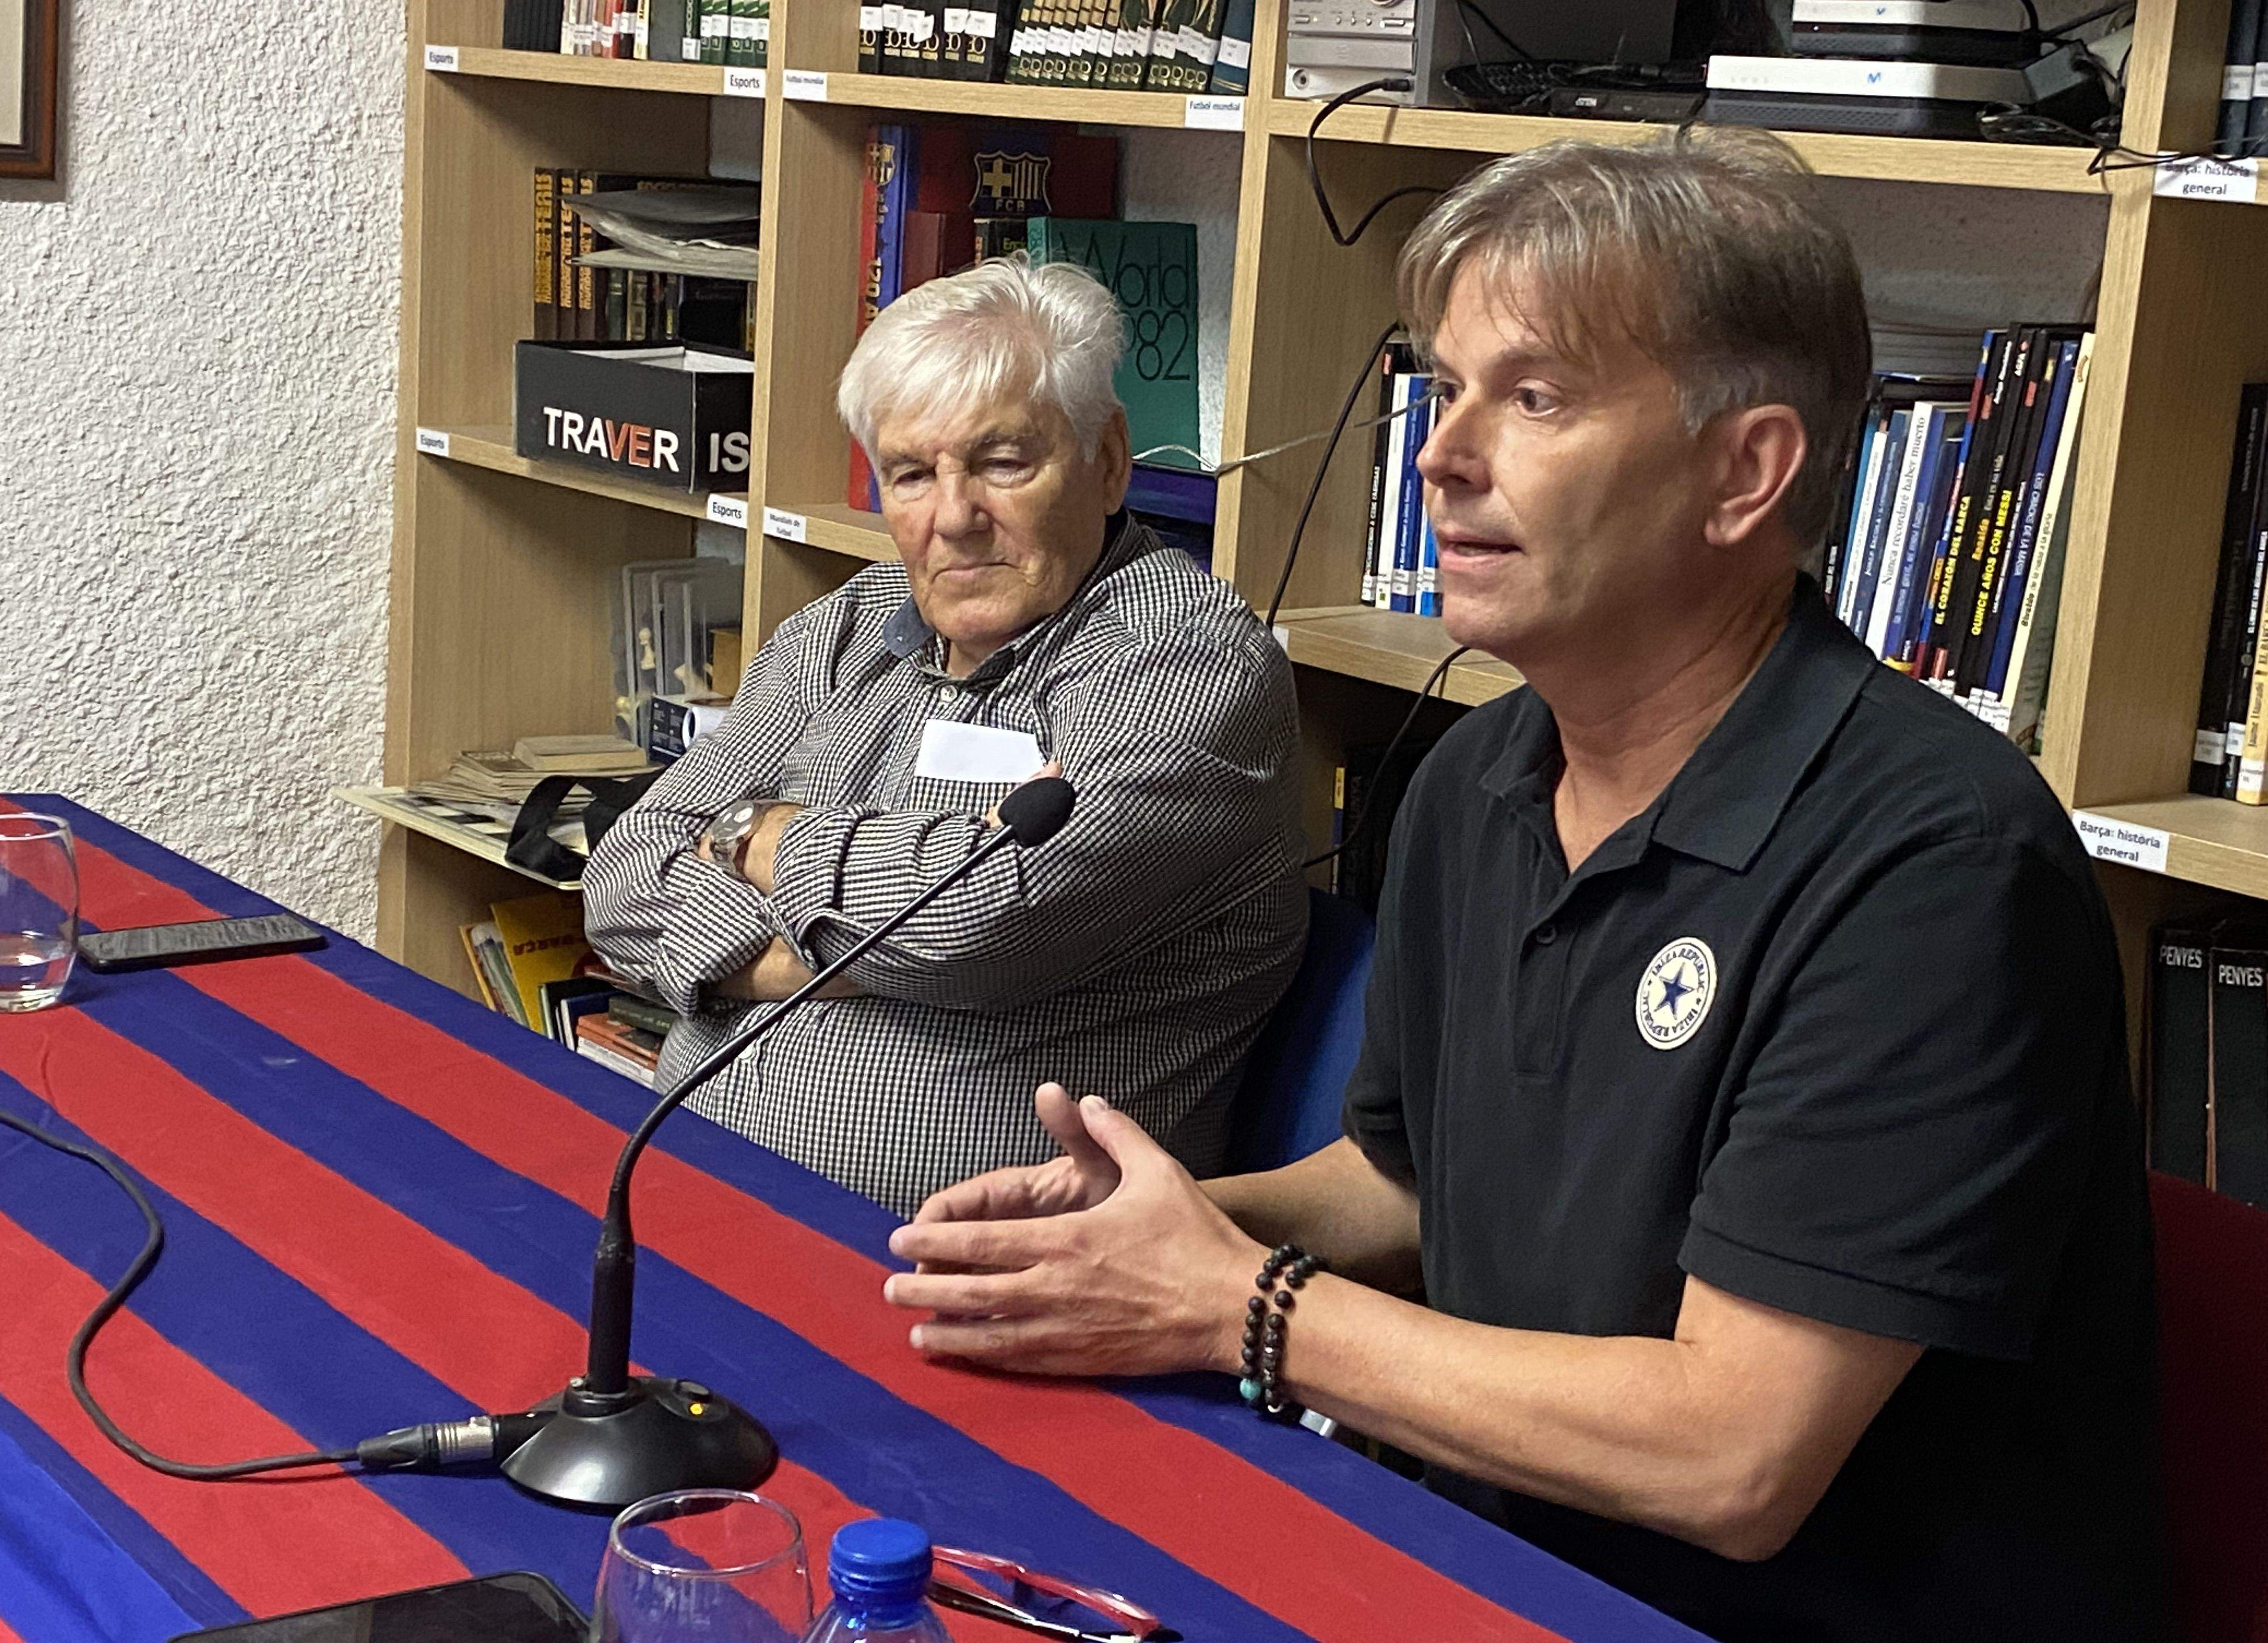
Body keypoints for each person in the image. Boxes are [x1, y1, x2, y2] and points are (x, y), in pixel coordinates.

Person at [885, 139, 2163, 1641]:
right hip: (1469, 1560)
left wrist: (1235, 1304)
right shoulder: (1476, 775)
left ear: (1744, 472)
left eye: (1537, 397)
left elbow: (1732, 1456)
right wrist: (1138, 1241)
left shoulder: (1939, 866)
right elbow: (1408, 1182)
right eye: (1448, 386)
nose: (1441, 453)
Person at [585, 259, 1306, 1216]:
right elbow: (623, 878)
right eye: (913, 475)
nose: (955, 518)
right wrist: (824, 958)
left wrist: (752, 834)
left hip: (966, 1263)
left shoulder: (1190, 659)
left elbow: (973, 922)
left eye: (1003, 463)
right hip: (684, 1190)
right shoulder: (844, 630)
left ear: (1107, 461)